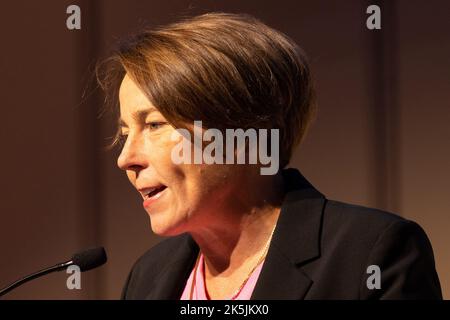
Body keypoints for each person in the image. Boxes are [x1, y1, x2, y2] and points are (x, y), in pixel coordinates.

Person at [98, 12, 442, 299]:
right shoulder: (147, 279)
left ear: (239, 128)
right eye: (126, 133)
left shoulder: (372, 254)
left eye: (155, 125)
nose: (126, 158)